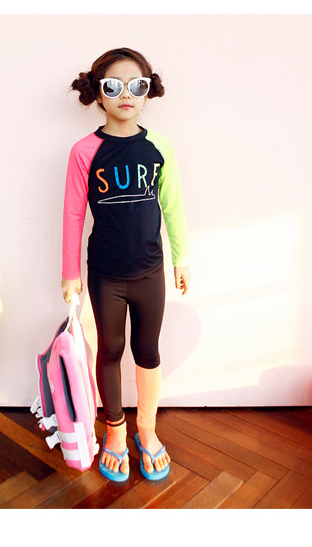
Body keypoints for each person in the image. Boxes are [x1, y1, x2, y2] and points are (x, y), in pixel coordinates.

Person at [61, 48, 191, 482]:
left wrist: (181, 258)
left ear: (147, 91)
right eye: (113, 87)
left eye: (136, 86)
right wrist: (70, 272)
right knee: (111, 350)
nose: (125, 95)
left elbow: (173, 206)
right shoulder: (85, 151)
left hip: (150, 271)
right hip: (106, 275)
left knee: (148, 351)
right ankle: (115, 432)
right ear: (98, 94)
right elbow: (74, 214)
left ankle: (147, 430)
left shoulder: (160, 147)